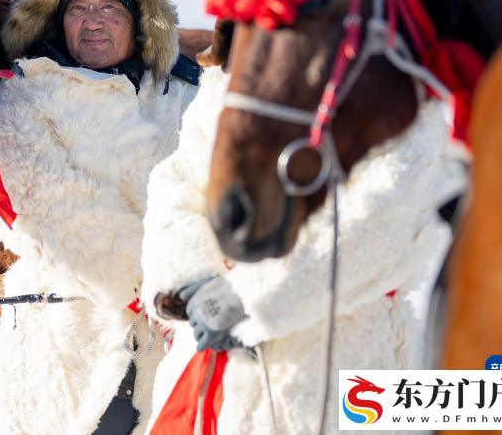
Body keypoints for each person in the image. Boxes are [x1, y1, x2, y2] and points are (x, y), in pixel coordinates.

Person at [0, 0, 200, 435]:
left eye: (110, 9)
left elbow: (213, 197)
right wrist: (160, 290)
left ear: (140, 23)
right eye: (78, 9)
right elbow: (45, 209)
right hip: (68, 351)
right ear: (57, 22)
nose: (93, 22)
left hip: (182, 351)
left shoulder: (187, 99)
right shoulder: (23, 98)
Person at [140, 65, 468, 434]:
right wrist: (192, 282)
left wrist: (247, 298)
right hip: (208, 365)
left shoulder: (403, 101)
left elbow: (378, 221)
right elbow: (178, 184)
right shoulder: (226, 84)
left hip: (338, 371)